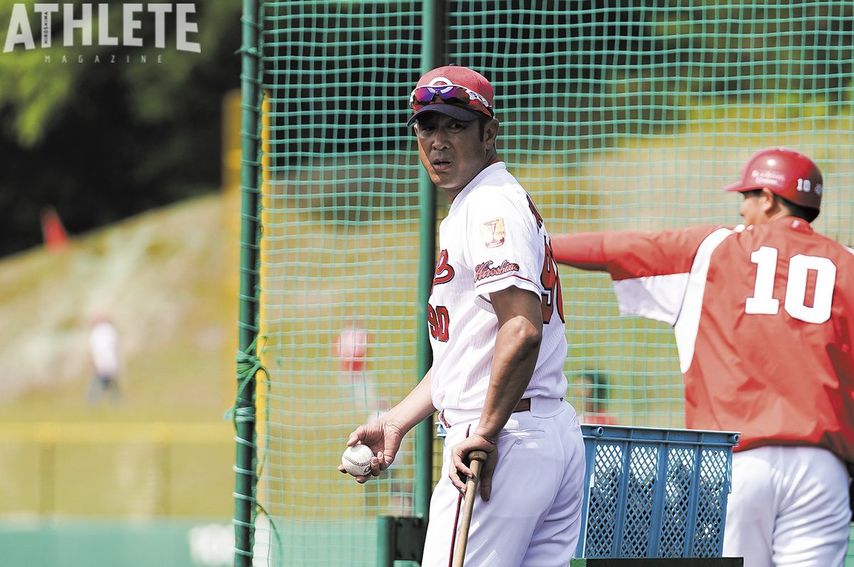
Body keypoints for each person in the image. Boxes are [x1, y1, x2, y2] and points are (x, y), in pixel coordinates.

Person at [550, 147, 854, 566]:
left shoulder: (712, 249)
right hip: (823, 469)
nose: (743, 208)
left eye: (747, 196)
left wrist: (535, 245)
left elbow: (613, 248)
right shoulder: (848, 264)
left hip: (734, 466)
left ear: (768, 198)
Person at [339, 65, 586, 566]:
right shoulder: (487, 201)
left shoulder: (488, 206)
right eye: (427, 126)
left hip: (500, 439)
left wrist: (486, 433)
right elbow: (471, 353)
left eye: (455, 125)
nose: (439, 141)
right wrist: (396, 422)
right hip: (540, 432)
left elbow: (521, 329)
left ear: (489, 132)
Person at [87, 314, 121, 404]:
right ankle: (116, 402)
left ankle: (92, 402)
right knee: (110, 383)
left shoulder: (98, 332)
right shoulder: (110, 330)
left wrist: (93, 362)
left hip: (103, 362)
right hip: (109, 361)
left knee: (99, 382)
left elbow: (96, 349)